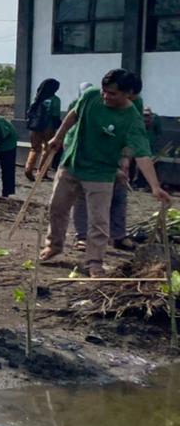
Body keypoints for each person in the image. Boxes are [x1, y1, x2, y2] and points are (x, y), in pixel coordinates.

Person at [38, 69, 170, 277]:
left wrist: (154, 186)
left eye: (112, 93)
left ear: (128, 94)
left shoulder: (132, 118)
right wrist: (58, 137)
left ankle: (94, 262)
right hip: (72, 163)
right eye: (104, 91)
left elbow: (142, 154)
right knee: (57, 207)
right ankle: (54, 245)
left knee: (98, 220)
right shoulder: (91, 95)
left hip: (101, 173)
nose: (106, 96)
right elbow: (73, 114)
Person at [23, 78, 61, 180]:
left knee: (34, 148)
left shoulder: (37, 98)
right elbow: (55, 114)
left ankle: (28, 169)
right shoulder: (55, 100)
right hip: (48, 127)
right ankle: (42, 172)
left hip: (35, 127)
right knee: (47, 148)